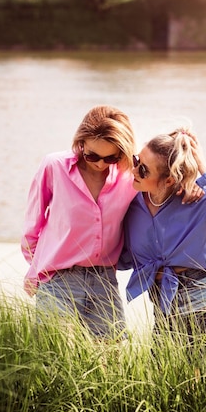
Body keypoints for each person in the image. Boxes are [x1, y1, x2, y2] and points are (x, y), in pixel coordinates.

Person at [120, 128, 206, 351]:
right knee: (172, 378)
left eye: (143, 169)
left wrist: (202, 165)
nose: (134, 170)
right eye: (136, 161)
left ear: (169, 180)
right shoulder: (130, 203)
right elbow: (119, 253)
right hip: (165, 299)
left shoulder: (196, 197)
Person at [21, 105, 138, 339]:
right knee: (54, 356)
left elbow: (164, 178)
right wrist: (38, 270)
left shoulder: (129, 176)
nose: (101, 164)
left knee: (108, 361)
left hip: (104, 278)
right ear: (81, 142)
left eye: (111, 157)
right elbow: (32, 227)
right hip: (59, 277)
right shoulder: (54, 166)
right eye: (93, 156)